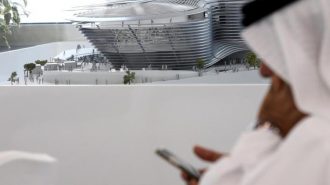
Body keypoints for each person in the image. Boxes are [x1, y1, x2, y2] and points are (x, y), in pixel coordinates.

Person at [181, 0, 330, 184]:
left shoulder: (319, 138)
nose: (264, 71)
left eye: (280, 49)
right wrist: (256, 168)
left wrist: (267, 127)